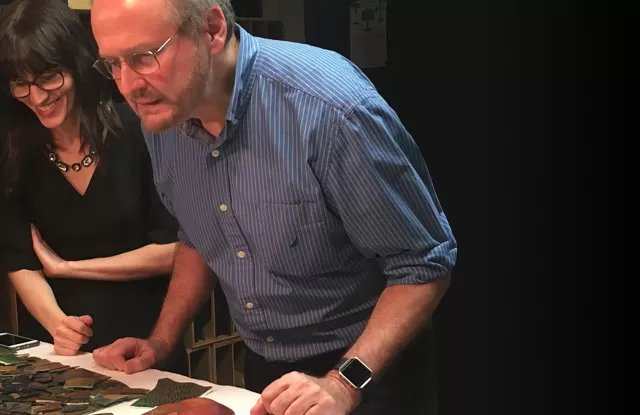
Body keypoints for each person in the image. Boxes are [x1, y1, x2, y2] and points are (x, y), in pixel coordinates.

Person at [90, 0, 457, 413]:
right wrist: (161, 340)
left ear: (211, 28)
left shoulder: (330, 108)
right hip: (266, 366)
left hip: (369, 368)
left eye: (143, 57)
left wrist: (342, 384)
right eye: (112, 64)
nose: (127, 85)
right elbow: (197, 235)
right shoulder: (163, 112)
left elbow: (423, 264)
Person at [0, 0, 187, 375]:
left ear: (77, 65)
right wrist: (58, 325)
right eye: (21, 84)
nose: (37, 97)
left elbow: (176, 251)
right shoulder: (14, 150)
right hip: (64, 352)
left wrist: (69, 267)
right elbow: (19, 258)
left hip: (148, 340)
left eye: (49, 77)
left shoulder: (138, 130)